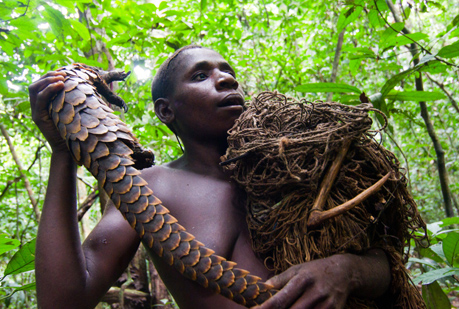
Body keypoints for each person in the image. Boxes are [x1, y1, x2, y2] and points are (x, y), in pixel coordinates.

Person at [29, 45, 391, 309]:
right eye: (201, 75)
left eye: (227, 71)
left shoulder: (300, 172)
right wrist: (64, 153)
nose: (226, 79)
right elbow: (64, 301)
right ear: (166, 111)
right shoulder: (151, 189)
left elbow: (386, 268)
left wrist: (346, 270)